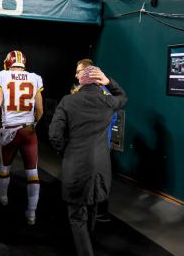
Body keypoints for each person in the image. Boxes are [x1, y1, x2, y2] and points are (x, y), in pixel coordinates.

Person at [49, 59, 127, 256]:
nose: (75, 75)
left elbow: (54, 135)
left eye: (78, 72)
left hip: (76, 167)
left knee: (77, 217)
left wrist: (65, 152)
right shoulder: (108, 102)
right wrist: (108, 81)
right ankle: (87, 241)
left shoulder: (68, 101)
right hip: (100, 168)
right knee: (92, 207)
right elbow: (123, 97)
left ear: (83, 78)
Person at [0, 50, 44, 225]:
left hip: (9, 130)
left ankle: (3, 197)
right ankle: (31, 213)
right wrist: (30, 125)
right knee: (33, 173)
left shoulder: (2, 76)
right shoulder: (35, 77)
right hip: (28, 131)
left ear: (8, 62)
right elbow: (40, 110)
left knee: (5, 167)